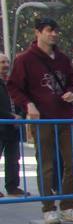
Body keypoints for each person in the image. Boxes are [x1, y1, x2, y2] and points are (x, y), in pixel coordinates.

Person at [7, 17, 73, 224]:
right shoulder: (25, 59)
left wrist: (71, 92)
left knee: (72, 164)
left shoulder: (62, 58)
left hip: (65, 117)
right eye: (49, 30)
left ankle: (69, 206)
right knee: (46, 164)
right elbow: (13, 87)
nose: (54, 34)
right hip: (42, 119)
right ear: (38, 32)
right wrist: (28, 105)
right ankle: (48, 207)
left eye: (56, 31)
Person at [0, 53, 25, 196]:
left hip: (13, 128)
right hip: (2, 125)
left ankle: (13, 186)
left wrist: (20, 116)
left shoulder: (13, 83)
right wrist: (10, 116)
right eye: (2, 62)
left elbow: (21, 100)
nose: (5, 65)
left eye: (7, 62)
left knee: (13, 159)